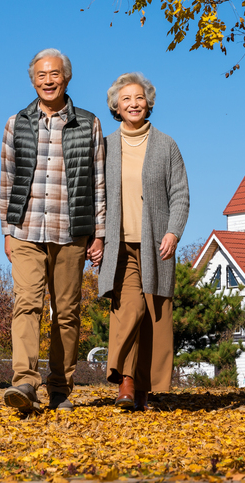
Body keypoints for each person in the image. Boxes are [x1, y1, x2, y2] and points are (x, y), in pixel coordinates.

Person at [0, 48, 105, 414]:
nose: (48, 80)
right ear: (33, 79)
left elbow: (99, 182)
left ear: (67, 78)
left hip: (71, 229)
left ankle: (60, 389)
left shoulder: (88, 124)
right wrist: (7, 229)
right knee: (26, 303)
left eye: (55, 74)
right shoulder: (16, 123)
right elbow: (7, 179)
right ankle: (25, 383)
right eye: (42, 75)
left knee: (67, 312)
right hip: (26, 229)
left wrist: (100, 232)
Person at [99, 72, 189, 411]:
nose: (133, 103)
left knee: (154, 316)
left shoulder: (166, 145)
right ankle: (125, 380)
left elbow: (180, 193)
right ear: (116, 107)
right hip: (120, 247)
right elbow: (97, 197)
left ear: (148, 103)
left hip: (156, 245)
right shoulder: (106, 146)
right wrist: (97, 238)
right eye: (126, 99)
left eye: (139, 98)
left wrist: (173, 231)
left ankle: (143, 392)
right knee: (129, 310)